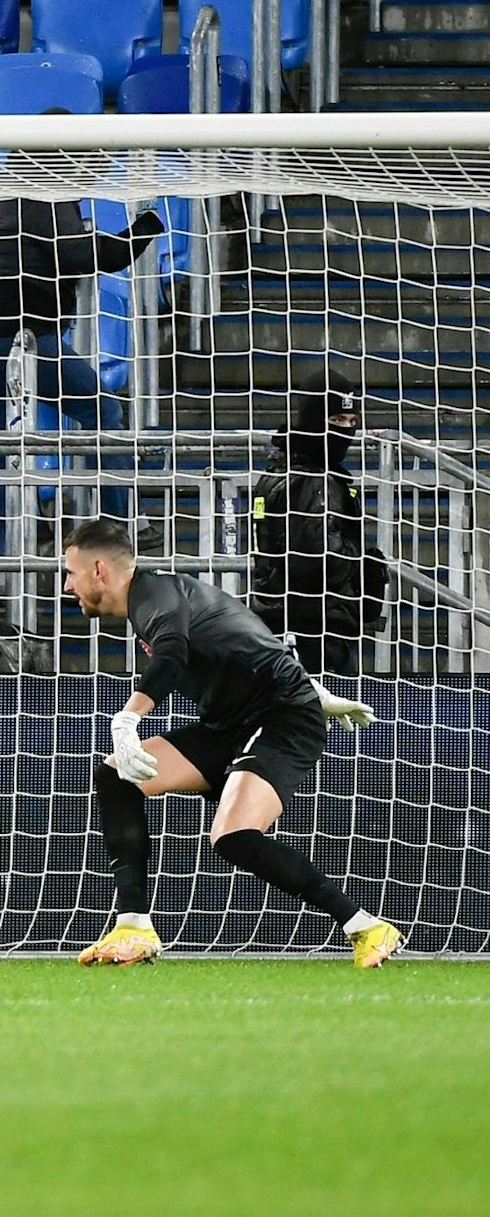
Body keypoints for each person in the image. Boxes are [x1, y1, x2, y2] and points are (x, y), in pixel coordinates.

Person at [60, 519, 403, 968]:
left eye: (71, 573)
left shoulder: (154, 598)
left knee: (234, 837)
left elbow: (172, 654)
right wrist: (319, 692)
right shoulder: (163, 596)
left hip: (281, 719)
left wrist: (128, 718)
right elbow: (248, 639)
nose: (67, 586)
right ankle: (133, 928)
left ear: (98, 570)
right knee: (116, 777)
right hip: (231, 724)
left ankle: (366, 927)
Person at [0, 128, 165, 529]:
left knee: (0, 444)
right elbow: (82, 255)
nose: (91, 178)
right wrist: (144, 228)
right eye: (92, 165)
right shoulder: (46, 193)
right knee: (102, 409)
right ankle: (122, 527)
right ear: (71, 158)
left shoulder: (6, 191)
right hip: (19, 336)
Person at [250, 374, 382, 676]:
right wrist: (364, 565)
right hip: (313, 632)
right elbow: (319, 561)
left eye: (351, 421)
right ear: (312, 420)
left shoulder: (278, 472)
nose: (346, 430)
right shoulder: (316, 482)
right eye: (336, 419)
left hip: (281, 623)